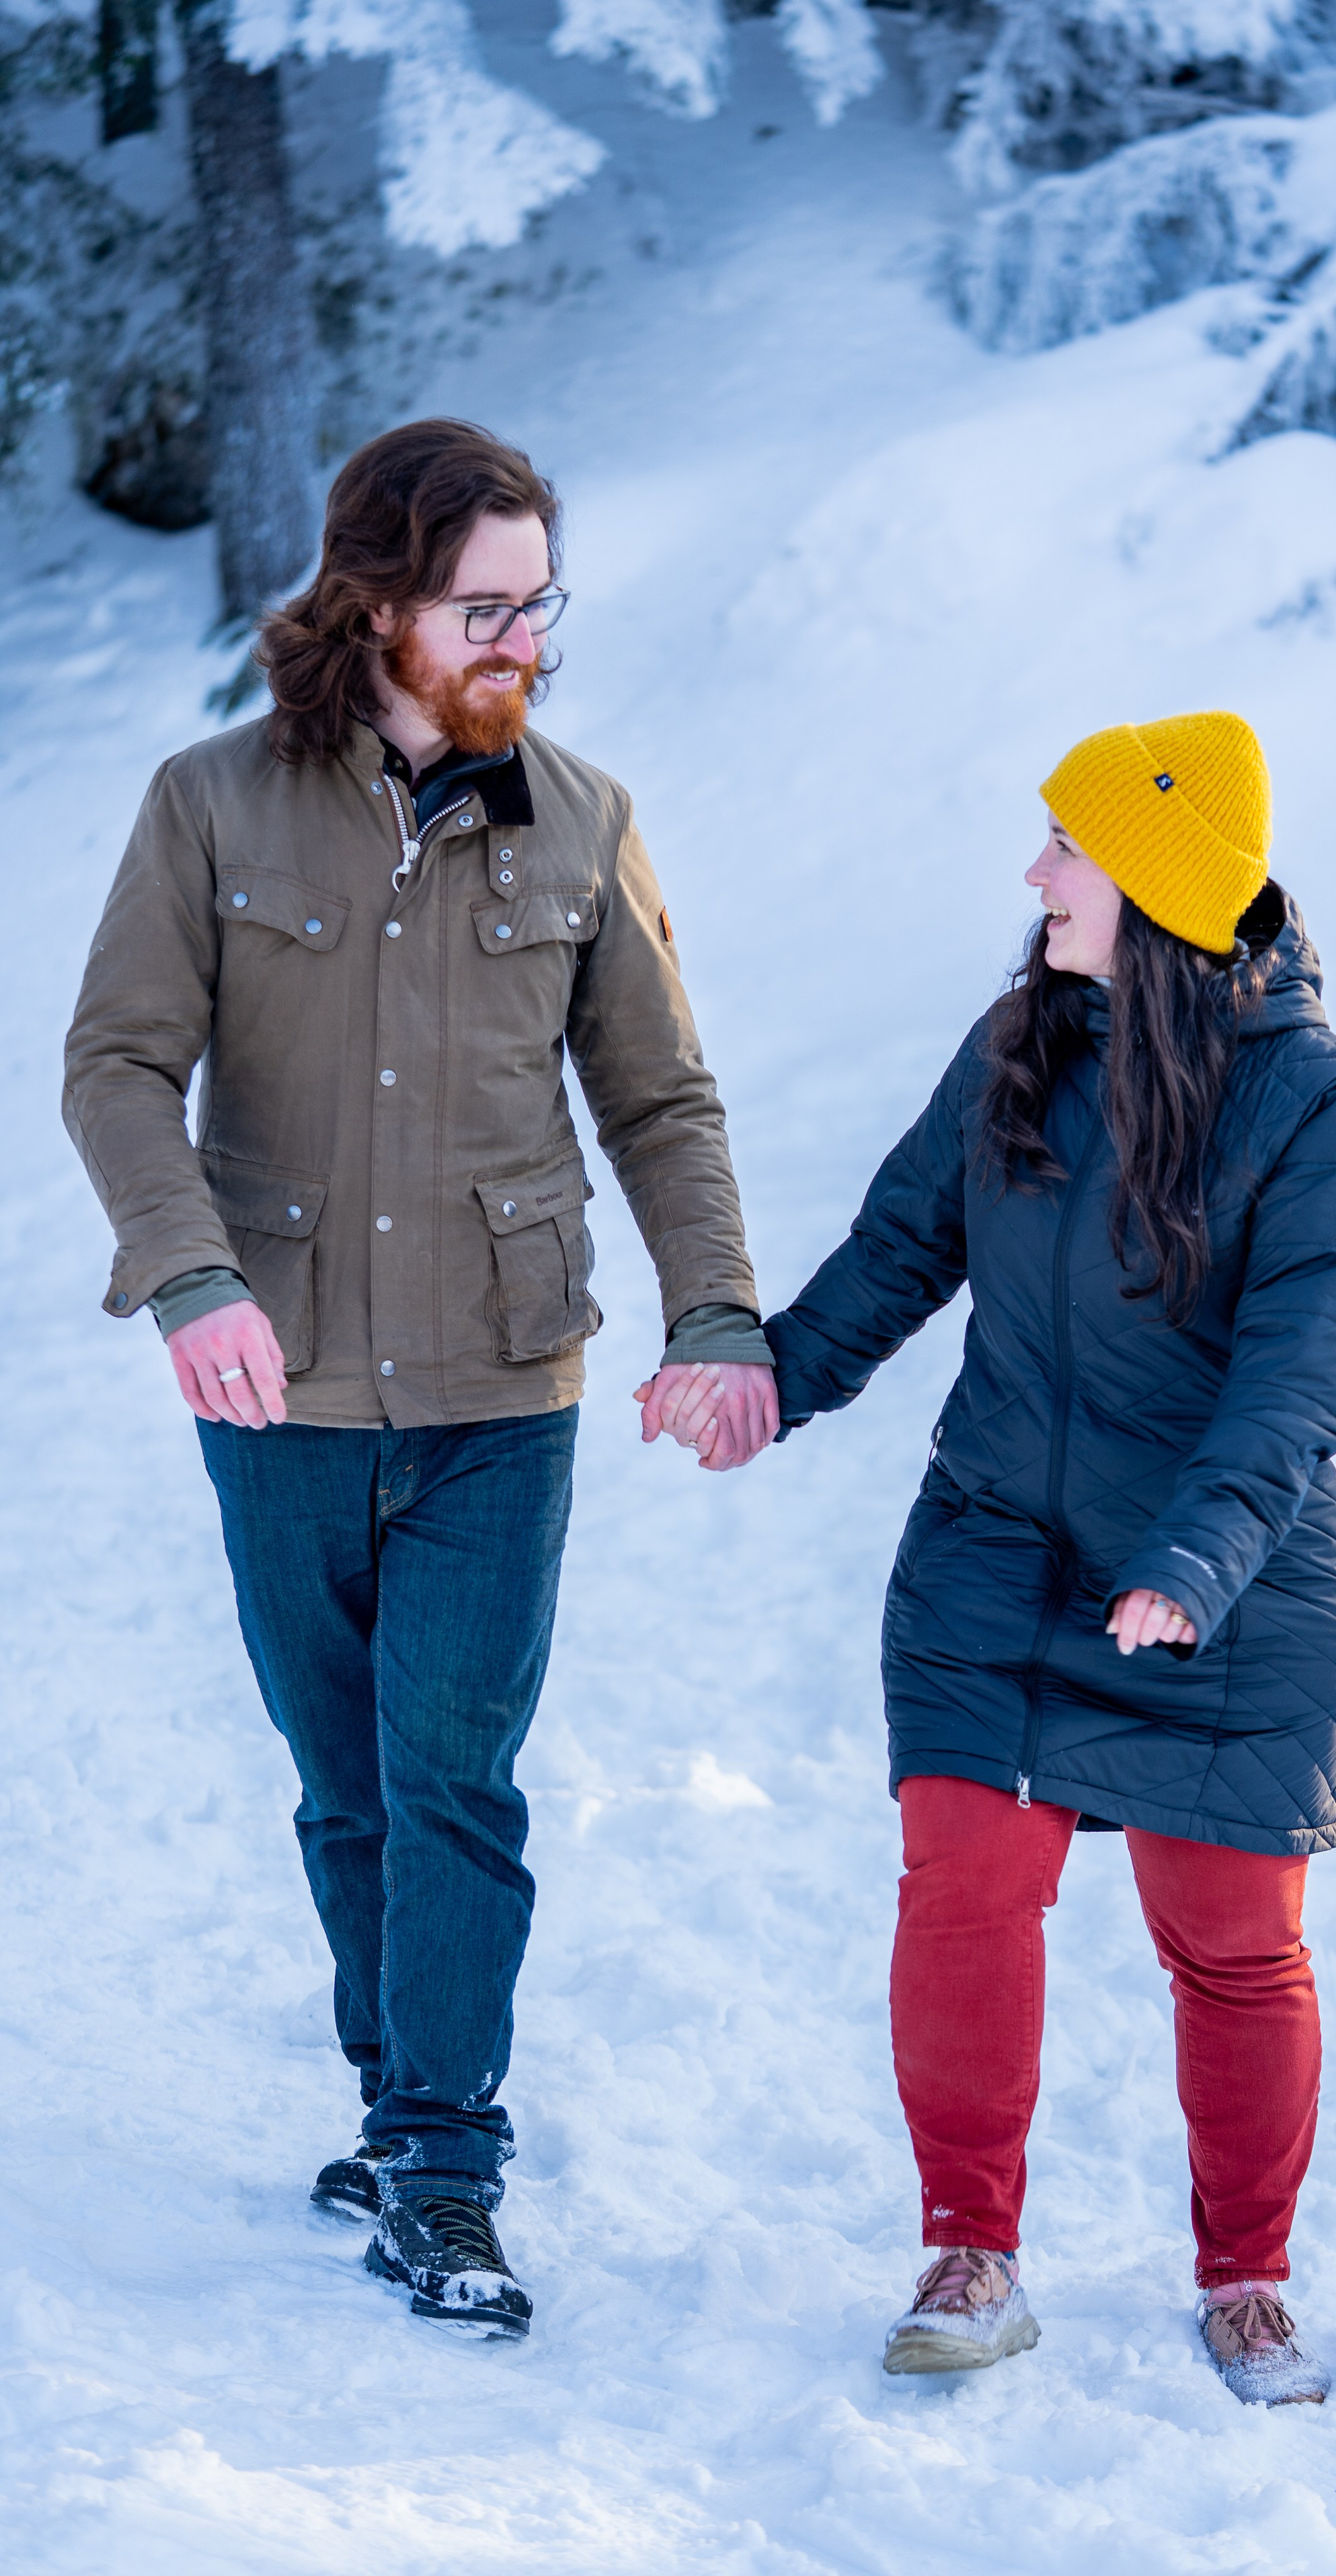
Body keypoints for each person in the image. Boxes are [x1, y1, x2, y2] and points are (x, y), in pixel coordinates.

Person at [63, 418, 777, 2339]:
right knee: (346, 1790)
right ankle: (397, 2100)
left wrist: (716, 1313)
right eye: (487, 608)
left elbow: (661, 1100)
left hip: (502, 1390)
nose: (524, 642)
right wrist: (189, 1278)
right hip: (277, 1386)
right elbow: (117, 1065)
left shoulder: (587, 821)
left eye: (541, 605)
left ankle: (446, 2163)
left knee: (453, 1779)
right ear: (377, 600)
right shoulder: (211, 805)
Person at [762, 711, 1336, 2403]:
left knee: (1231, 1944)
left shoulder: (1311, 1103)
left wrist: (1194, 1562)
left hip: (1229, 1580)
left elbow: (1296, 1380)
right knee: (963, 1891)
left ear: (1159, 876)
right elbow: (900, 1245)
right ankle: (968, 2251)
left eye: (1068, 844)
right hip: (994, 1553)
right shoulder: (1020, 1046)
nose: (1034, 872)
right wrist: (768, 1379)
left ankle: (1246, 2278)